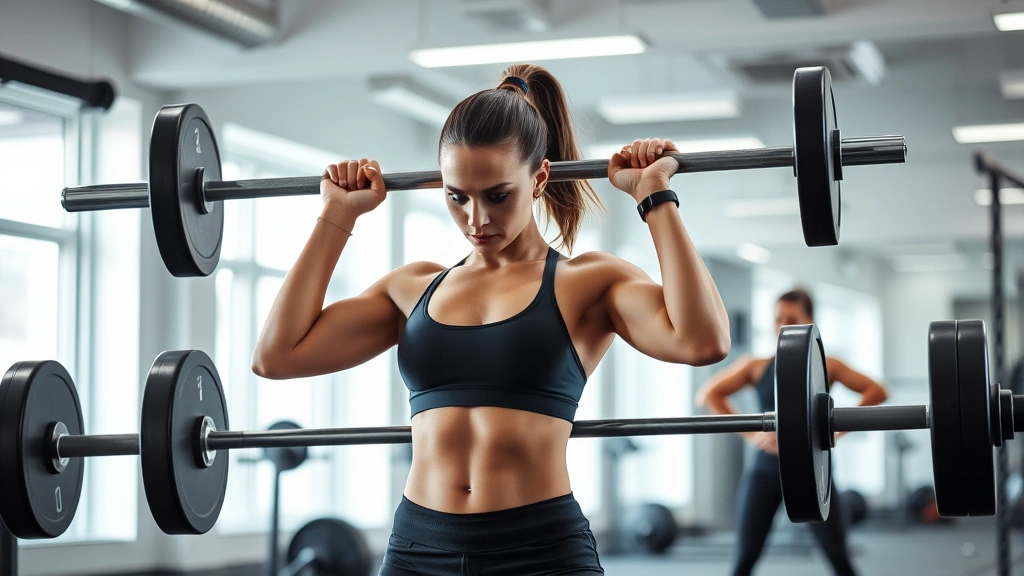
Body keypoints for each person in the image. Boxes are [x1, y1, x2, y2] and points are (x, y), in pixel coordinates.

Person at [252, 63, 730, 576]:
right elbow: (277, 356)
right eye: (456, 196)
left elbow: (702, 341)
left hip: (540, 552)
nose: (476, 220)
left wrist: (655, 196)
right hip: (418, 549)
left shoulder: (588, 281)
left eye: (497, 196)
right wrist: (336, 215)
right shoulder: (412, 288)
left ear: (539, 178)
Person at [696, 288, 888, 576]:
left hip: (812, 473)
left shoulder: (829, 365)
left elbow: (878, 390)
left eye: (792, 319)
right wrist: (753, 435)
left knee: (839, 559)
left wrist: (835, 431)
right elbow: (707, 395)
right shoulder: (755, 366)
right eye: (778, 318)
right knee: (744, 560)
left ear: (809, 321)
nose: (783, 325)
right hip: (765, 470)